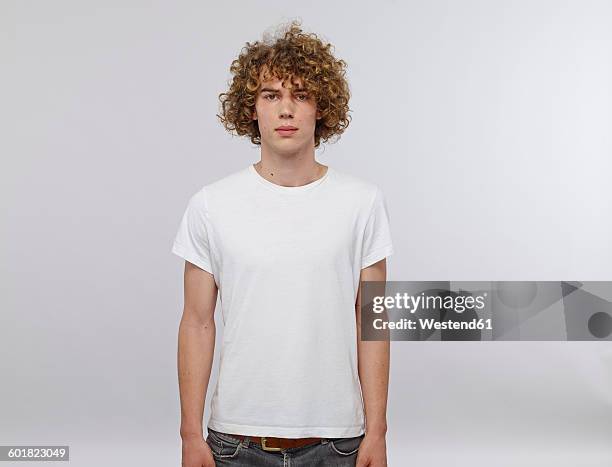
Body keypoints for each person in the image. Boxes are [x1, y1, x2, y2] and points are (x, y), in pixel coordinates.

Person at [172, 21, 393, 467]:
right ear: (251, 109)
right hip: (234, 442)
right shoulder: (211, 205)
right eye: (271, 95)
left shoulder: (362, 202)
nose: (286, 110)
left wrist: (378, 431)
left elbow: (371, 321)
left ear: (321, 108)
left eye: (301, 95)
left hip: (337, 442)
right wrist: (190, 435)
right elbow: (197, 322)